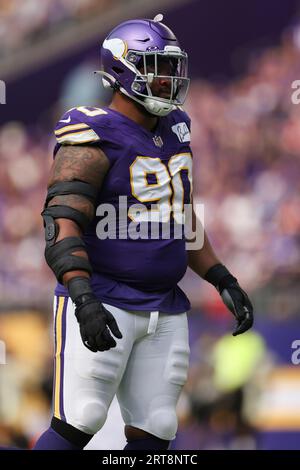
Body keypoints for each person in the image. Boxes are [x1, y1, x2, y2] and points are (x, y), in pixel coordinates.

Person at [34, 14, 253, 450]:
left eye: (173, 66)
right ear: (122, 70)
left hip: (165, 305)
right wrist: (83, 298)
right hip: (105, 298)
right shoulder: (93, 130)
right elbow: (60, 223)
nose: (170, 78)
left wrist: (222, 278)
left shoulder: (176, 128)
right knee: (82, 418)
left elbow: (181, 216)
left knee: (158, 426)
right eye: (158, 66)